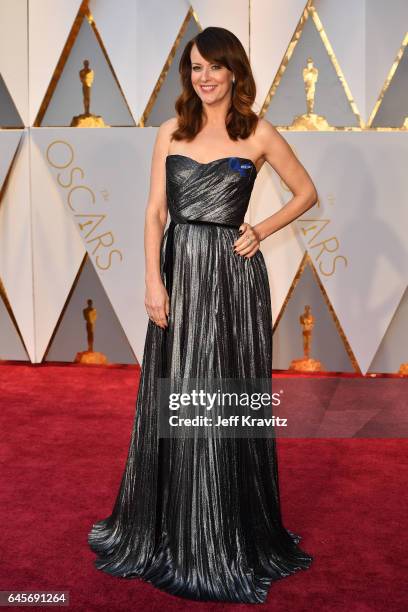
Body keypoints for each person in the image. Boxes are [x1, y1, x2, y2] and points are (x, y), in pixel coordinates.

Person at [88, 26, 318, 604]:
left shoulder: (259, 133)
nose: (205, 78)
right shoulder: (171, 131)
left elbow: (306, 192)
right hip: (180, 275)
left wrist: (259, 230)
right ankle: (171, 526)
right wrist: (151, 281)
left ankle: (223, 530)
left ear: (235, 71)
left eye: (215, 67)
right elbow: (153, 212)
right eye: (195, 68)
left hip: (233, 283)